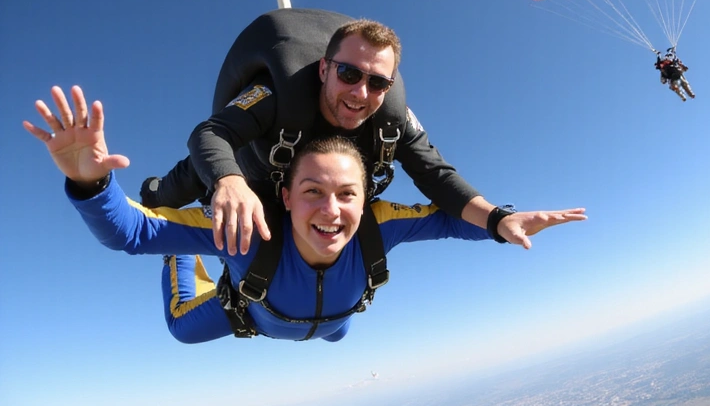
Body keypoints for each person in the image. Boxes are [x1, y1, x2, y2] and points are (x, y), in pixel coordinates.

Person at [23, 85, 587, 343]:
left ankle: (329, 327)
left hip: (332, 319)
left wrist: (498, 221)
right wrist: (91, 181)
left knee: (337, 333)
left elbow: (445, 217)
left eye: (347, 194)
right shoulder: (247, 233)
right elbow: (132, 232)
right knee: (181, 330)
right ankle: (183, 255)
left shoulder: (379, 223)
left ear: (366, 198)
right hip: (251, 312)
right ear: (285, 197)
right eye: (312, 190)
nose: (332, 209)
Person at [142, 9, 541, 258]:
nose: (360, 93)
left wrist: (497, 221)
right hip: (255, 168)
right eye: (349, 74)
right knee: (194, 178)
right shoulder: (276, 93)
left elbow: (435, 174)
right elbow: (211, 133)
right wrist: (229, 182)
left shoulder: (392, 117)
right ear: (324, 69)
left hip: (305, 192)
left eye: (377, 83)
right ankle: (155, 192)